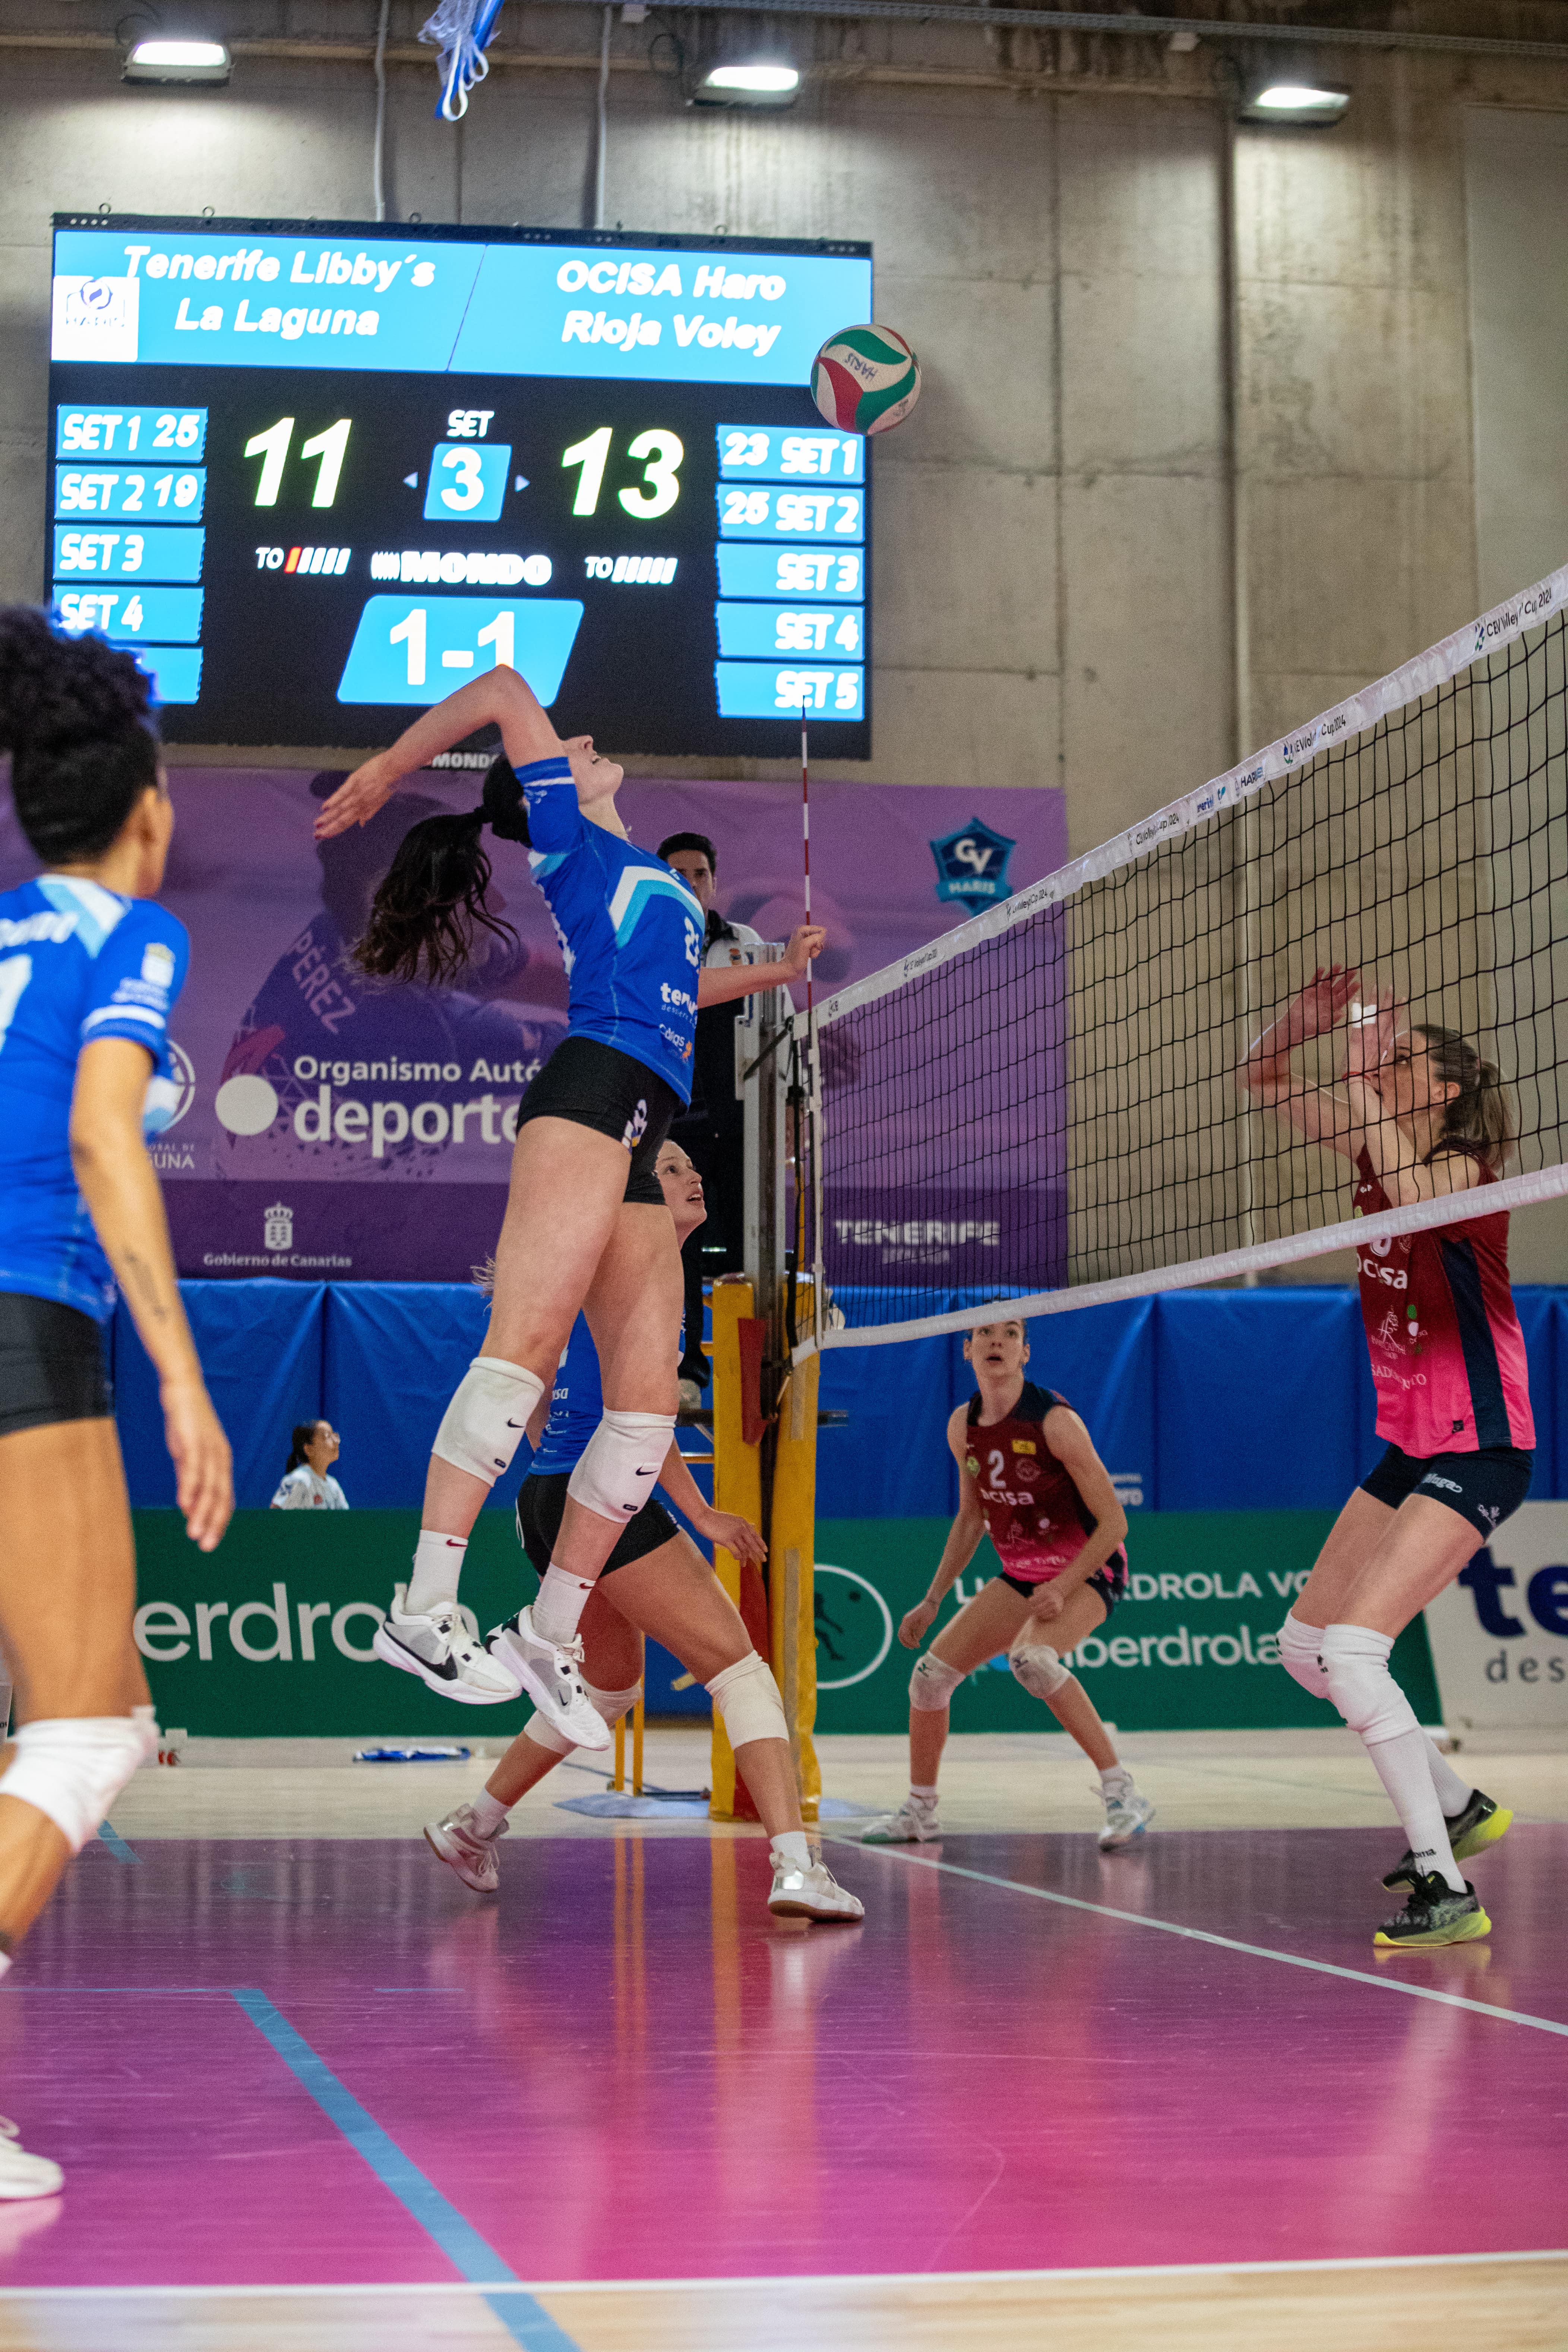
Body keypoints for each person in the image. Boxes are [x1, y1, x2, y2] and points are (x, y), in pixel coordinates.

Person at [314, 676, 822, 1739]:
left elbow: (679, 989)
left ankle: (546, 1633)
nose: (583, 737)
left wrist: (777, 969)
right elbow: (506, 689)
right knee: (525, 1351)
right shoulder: (571, 842)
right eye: (569, 746)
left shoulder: (649, 877)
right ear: (546, 786)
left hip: (642, 1116)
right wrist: (391, 768)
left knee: (645, 1415)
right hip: (589, 1095)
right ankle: (422, 1608)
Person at [0, 607, 233, 2194]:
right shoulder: (129, 936)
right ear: (148, 810)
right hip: (28, 1322)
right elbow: (101, 1134)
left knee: (96, 1716)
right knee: (87, 1730)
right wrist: (183, 1376)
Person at [426, 1139, 861, 1922]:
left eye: (691, 1165)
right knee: (738, 1669)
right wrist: (694, 1513)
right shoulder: (638, 1270)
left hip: (550, 1497)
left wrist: (568, 1480)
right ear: (630, 1193)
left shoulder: (603, 1271)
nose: (693, 1176)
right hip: (596, 1497)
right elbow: (633, 1416)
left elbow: (572, 1407)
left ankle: (473, 1826)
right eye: (670, 1169)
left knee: (608, 1689)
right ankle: (798, 1867)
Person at [1240, 969, 1531, 1950]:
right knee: (1303, 1650)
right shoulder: (1377, 1145)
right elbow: (1262, 1077)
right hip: (1412, 1447)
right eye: (1385, 1059)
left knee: (1357, 1654)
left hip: (1482, 1446)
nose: (1379, 1068)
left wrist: (1362, 1080)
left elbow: (1412, 1200)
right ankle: (1458, 1807)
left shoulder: (1470, 1169)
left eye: (1403, 1061)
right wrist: (1303, 1023)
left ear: (1444, 1090)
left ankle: (1445, 1887)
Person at [860, 1321, 1154, 1850]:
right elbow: (971, 1519)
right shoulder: (962, 1425)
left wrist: (1063, 1586)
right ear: (967, 1349)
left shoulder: (1056, 1423)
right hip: (1021, 1572)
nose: (997, 1341)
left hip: (1088, 1569)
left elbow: (1115, 1524)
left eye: (1011, 1334)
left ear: (1025, 1353)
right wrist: (932, 1599)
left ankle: (1123, 1794)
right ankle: (920, 1812)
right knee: (928, 1681)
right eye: (986, 1333)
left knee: (1034, 1661)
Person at [656, 832, 765, 1399]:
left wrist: (787, 1113)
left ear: (714, 882)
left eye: (700, 873)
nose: (691, 883)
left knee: (749, 1253)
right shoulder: (646, 943)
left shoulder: (747, 945)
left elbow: (780, 1030)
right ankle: (688, 1372)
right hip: (674, 1129)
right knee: (680, 1248)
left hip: (740, 1125)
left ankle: (754, 1373)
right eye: (678, 874)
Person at [271, 1420, 347, 1509]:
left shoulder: (333, 1484)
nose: (336, 1442)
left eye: (335, 1436)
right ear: (309, 1449)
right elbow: (275, 1514)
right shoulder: (298, 1480)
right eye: (328, 1436)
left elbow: (345, 1517)